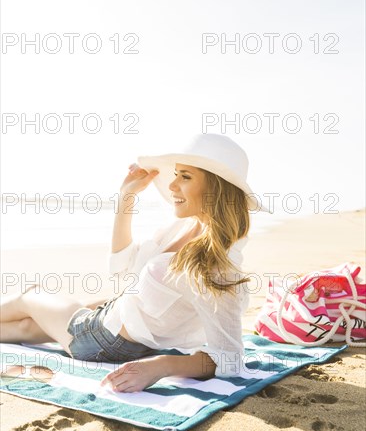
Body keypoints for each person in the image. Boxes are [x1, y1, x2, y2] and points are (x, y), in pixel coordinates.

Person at [0, 134, 271, 392]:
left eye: (185, 177)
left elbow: (231, 358)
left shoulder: (219, 266)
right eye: (175, 174)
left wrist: (161, 366)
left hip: (101, 340)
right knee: (24, 327)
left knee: (30, 294)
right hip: (111, 322)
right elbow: (123, 267)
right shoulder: (184, 226)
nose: (172, 185)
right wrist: (127, 197)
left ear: (216, 189)